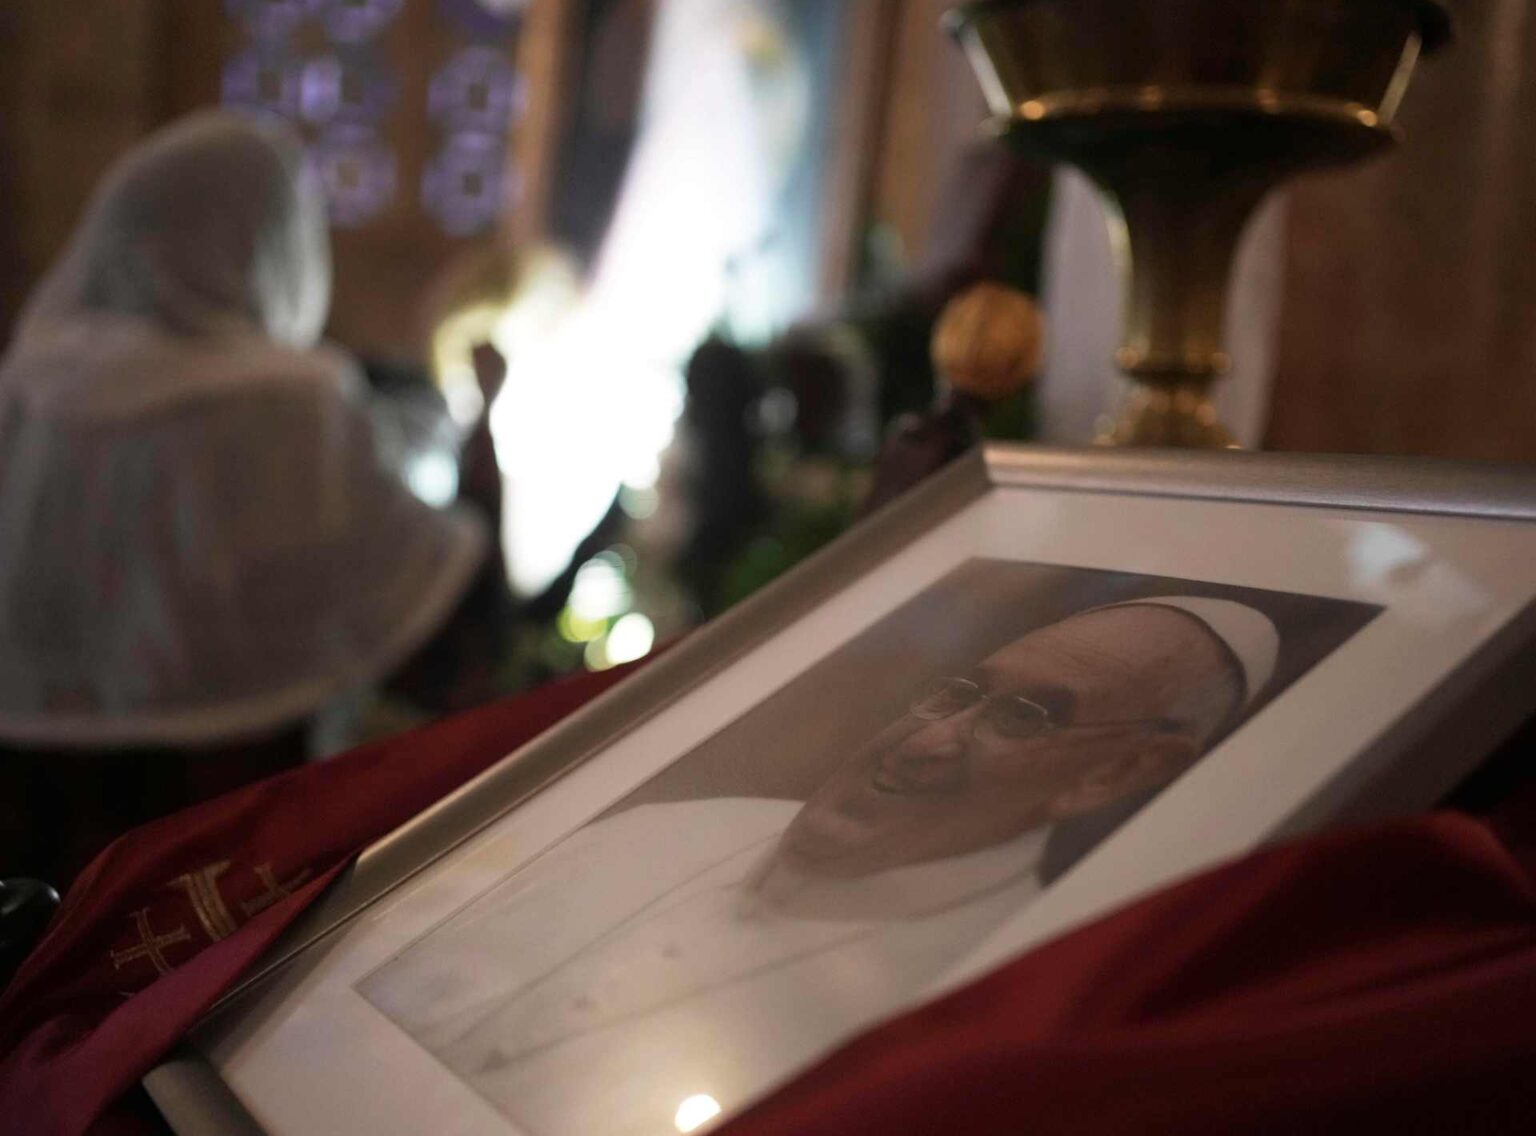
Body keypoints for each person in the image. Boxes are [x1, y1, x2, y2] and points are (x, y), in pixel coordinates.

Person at [362, 596, 1280, 1136]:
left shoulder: (989, 1000)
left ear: (1116, 773)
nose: (930, 740)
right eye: (960, 694)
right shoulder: (679, 826)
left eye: (1022, 718)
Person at [0, 113, 507, 886]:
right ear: (276, 244)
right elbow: (450, 629)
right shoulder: (286, 409)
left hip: (33, 866)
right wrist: (484, 437)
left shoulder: (28, 391)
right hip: (225, 869)